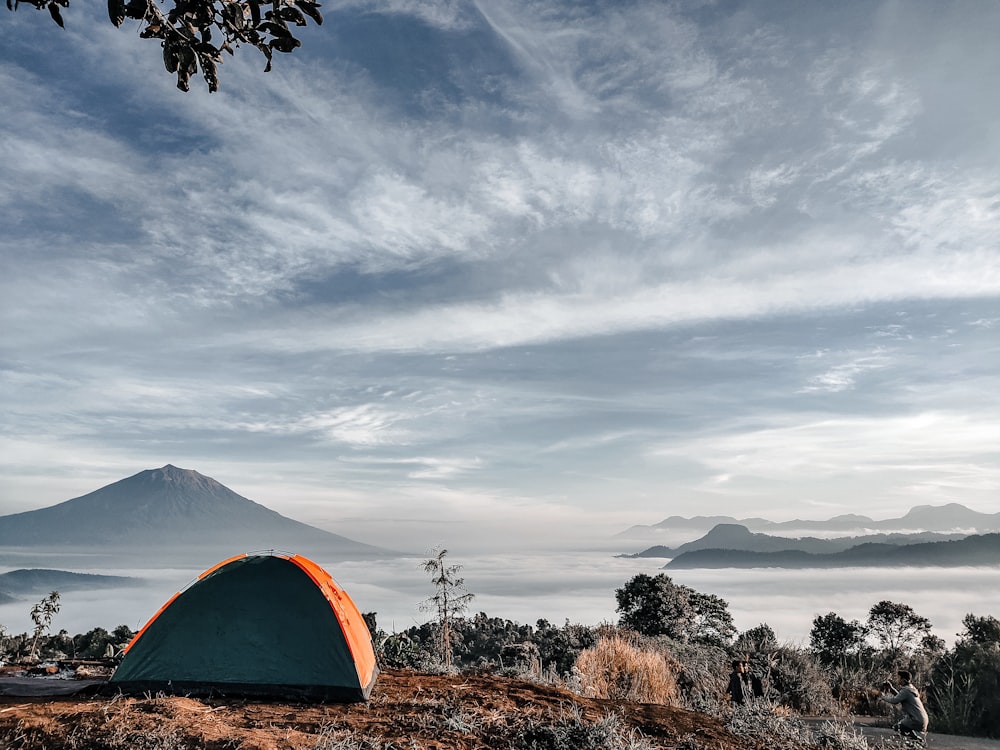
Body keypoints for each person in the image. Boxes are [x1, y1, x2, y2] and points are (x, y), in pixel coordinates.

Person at [880, 670, 928, 743]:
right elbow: (900, 696)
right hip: (922, 719)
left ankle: (915, 739)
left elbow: (895, 701)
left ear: (903, 680)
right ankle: (916, 740)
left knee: (898, 727)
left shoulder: (906, 690)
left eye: (899, 678)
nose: (897, 680)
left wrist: (883, 697)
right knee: (902, 727)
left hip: (916, 720)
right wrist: (891, 688)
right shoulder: (911, 688)